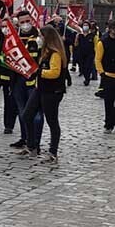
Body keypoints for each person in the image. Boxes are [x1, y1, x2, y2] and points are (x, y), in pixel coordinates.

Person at [22, 25, 67, 163]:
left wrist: (39, 72)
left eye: (41, 36)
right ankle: (31, 146)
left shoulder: (55, 54)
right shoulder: (45, 52)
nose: (39, 38)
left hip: (52, 92)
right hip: (40, 89)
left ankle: (53, 152)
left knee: (52, 121)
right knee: (27, 115)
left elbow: (55, 73)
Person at [9, 11, 41, 150]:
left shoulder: (40, 37)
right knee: (22, 112)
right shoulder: (14, 38)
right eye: (21, 22)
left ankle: (35, 143)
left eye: (27, 21)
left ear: (32, 20)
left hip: (34, 81)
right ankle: (25, 138)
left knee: (36, 115)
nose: (25, 24)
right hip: (18, 80)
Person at [76, 22, 98, 86]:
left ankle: (87, 79)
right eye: (84, 25)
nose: (85, 26)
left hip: (90, 54)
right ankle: (86, 76)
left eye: (87, 25)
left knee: (88, 67)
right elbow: (76, 44)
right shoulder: (79, 35)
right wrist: (76, 38)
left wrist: (96, 55)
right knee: (83, 67)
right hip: (81, 54)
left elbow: (96, 46)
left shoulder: (93, 36)